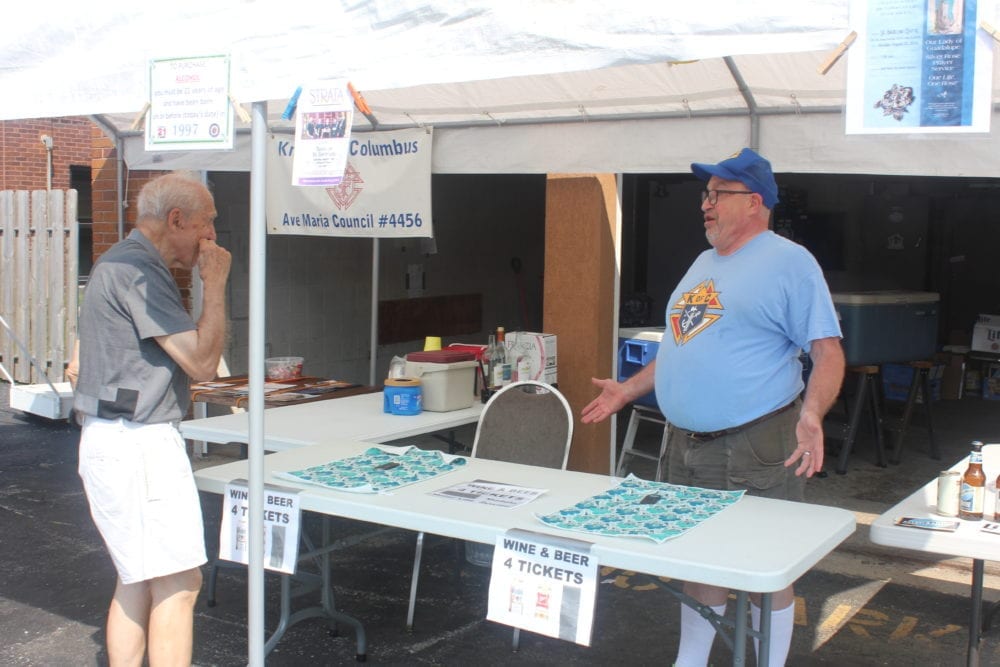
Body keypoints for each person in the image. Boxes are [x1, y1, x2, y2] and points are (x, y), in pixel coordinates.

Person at [581, 148, 844, 666]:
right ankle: (692, 660)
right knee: (697, 555)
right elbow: (682, 347)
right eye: (705, 194)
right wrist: (629, 390)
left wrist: (812, 413)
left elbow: (827, 351)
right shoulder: (704, 262)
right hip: (686, 443)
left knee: (765, 561)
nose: (705, 204)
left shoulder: (790, 262)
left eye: (718, 194)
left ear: (754, 202)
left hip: (756, 442)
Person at [66, 171, 231, 666]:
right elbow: (201, 363)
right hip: (139, 443)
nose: (211, 236)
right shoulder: (139, 270)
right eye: (206, 224)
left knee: (136, 578)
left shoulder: (116, 261)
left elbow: (78, 362)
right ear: (176, 219)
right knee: (180, 582)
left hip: (114, 437)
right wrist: (215, 285)